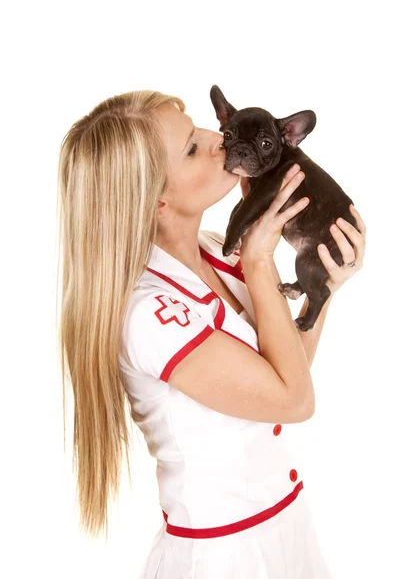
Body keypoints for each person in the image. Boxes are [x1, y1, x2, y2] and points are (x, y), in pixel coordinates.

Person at [56, 89, 366, 578]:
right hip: (223, 558)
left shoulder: (219, 251)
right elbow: (294, 401)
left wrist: (323, 285)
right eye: (192, 148)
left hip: (287, 532)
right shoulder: (148, 315)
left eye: (205, 131)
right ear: (154, 197)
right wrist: (261, 260)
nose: (218, 140)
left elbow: (286, 370)